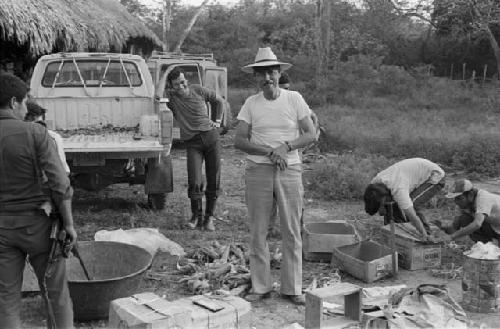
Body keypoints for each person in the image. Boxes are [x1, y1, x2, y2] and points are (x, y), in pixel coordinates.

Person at [234, 47, 316, 305]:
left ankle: (293, 288)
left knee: (291, 229)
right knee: (259, 230)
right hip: (258, 170)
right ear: (256, 77)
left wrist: (286, 147)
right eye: (262, 73)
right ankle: (261, 286)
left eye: (272, 71)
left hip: (289, 169)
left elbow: (310, 133)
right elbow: (239, 140)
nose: (267, 77)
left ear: (279, 73)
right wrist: (270, 151)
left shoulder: (294, 99)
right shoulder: (251, 103)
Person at [0, 73, 76, 328]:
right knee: (56, 295)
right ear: (13, 102)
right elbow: (60, 185)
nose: (25, 108)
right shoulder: (35, 134)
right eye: (24, 102)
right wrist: (69, 225)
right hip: (40, 227)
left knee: (6, 300)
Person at [165, 67, 225, 231]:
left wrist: (217, 121)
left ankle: (209, 218)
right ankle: (196, 216)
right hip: (193, 143)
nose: (182, 86)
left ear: (187, 81)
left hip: (211, 138)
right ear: (171, 86)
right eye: (177, 85)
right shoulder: (171, 99)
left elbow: (218, 100)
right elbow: (157, 95)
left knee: (214, 178)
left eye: (183, 82)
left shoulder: (198, 90)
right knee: (194, 180)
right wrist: (165, 80)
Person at [363, 158, 445, 241]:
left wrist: (423, 233)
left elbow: (413, 216)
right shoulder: (374, 184)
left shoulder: (399, 190)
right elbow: (376, 200)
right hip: (413, 172)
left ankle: (427, 235)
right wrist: (381, 208)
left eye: (382, 203)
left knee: (413, 203)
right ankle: (394, 232)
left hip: (434, 175)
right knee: (392, 204)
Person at [435, 179, 500, 244]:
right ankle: (485, 246)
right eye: (455, 198)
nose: (456, 202)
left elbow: (477, 224)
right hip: (494, 226)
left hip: (496, 227)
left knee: (473, 223)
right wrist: (442, 228)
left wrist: (451, 237)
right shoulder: (464, 204)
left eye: (459, 198)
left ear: (470, 194)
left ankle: (489, 247)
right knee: (464, 219)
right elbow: (455, 226)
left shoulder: (483, 198)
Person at [25, 100, 70, 174]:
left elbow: (62, 168)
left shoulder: (53, 137)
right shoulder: (17, 137)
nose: (36, 128)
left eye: (39, 124)